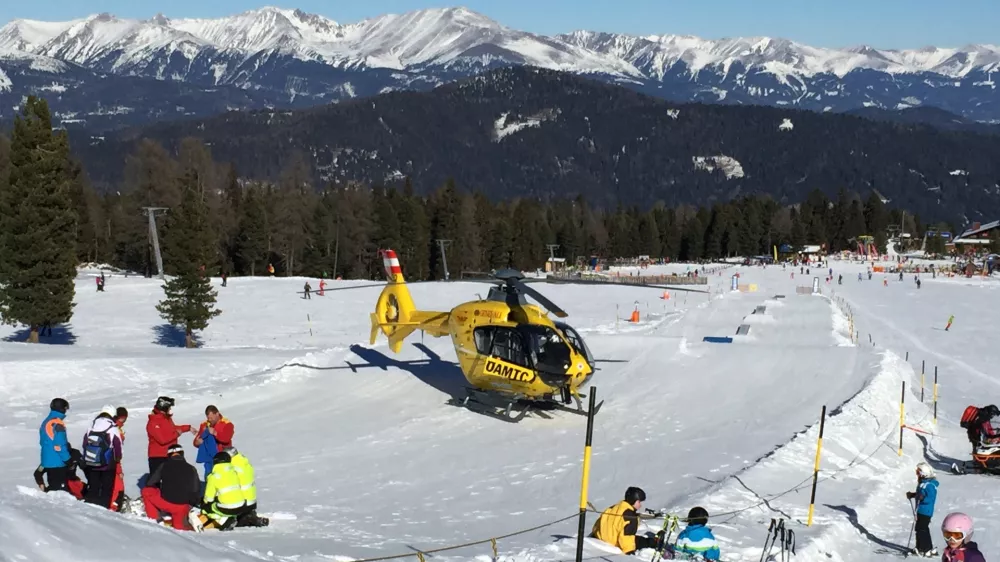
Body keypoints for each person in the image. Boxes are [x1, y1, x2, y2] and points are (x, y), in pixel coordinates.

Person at [142, 444, 202, 530]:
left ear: (168, 455)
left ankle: (155, 519)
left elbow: (150, 483)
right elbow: (196, 489)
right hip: (182, 506)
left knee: (146, 491)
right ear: (182, 454)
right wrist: (190, 505)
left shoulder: (163, 465)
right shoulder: (191, 468)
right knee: (179, 528)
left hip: (166, 503)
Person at [592, 487, 663, 554]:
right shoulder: (631, 517)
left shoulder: (612, 508)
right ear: (633, 500)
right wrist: (630, 552)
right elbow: (626, 537)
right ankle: (654, 544)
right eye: (639, 502)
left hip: (600, 538)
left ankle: (652, 542)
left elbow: (597, 525)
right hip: (614, 543)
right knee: (639, 541)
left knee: (637, 539)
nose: (640, 505)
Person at [81, 405, 124, 508]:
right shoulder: (112, 428)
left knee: (93, 487)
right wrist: (117, 459)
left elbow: (84, 444)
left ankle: (89, 507)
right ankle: (103, 510)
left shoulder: (91, 427)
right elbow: (118, 446)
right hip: (107, 464)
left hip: (91, 462)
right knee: (106, 489)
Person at [196, 451, 250, 531]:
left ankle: (223, 520)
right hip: (241, 506)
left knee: (207, 508)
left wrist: (203, 503)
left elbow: (209, 498)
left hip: (227, 508)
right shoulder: (234, 472)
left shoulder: (213, 476)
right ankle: (233, 518)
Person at [147, 396, 196, 476]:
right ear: (164, 408)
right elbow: (162, 439)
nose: (170, 410)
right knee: (158, 483)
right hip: (158, 457)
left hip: (168, 455)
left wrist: (187, 428)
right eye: (169, 408)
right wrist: (177, 434)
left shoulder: (166, 419)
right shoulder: (153, 422)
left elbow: (172, 429)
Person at [225, 447, 268, 528]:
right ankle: (251, 516)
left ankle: (251, 519)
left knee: (239, 521)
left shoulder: (233, 465)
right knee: (245, 514)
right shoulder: (244, 461)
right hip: (251, 499)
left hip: (242, 500)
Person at [39, 398, 73, 492]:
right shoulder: (57, 423)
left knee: (53, 488)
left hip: (47, 461)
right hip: (57, 462)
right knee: (61, 492)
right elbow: (59, 445)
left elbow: (42, 442)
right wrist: (68, 459)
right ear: (62, 409)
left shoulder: (46, 421)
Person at [906, 462, 939, 557]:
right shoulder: (923, 484)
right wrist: (913, 495)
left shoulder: (930, 485)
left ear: (924, 474)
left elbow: (931, 497)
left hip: (926, 511)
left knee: (921, 529)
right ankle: (925, 547)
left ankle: (924, 549)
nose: (917, 475)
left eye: (918, 472)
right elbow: (919, 494)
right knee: (922, 528)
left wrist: (923, 497)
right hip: (921, 511)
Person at [194, 405, 235, 480]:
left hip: (223, 459)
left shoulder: (227, 424)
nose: (209, 420)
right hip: (209, 461)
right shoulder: (204, 425)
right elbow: (196, 441)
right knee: (209, 481)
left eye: (211, 418)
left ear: (217, 414)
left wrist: (215, 433)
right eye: (208, 418)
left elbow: (226, 439)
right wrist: (197, 442)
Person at [110, 407, 129, 511]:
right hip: (114, 462)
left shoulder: (112, 427)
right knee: (118, 487)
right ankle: (114, 507)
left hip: (111, 461)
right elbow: (115, 453)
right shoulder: (115, 430)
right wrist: (119, 470)